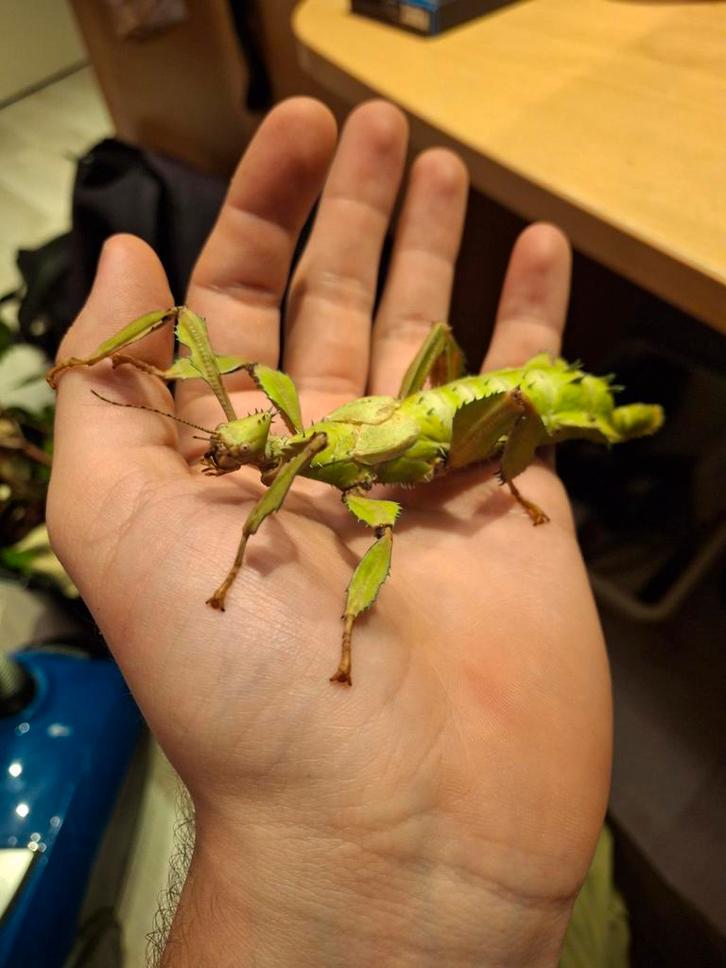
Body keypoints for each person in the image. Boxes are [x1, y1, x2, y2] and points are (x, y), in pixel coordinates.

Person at [47, 98, 611, 966]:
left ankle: (528, 461)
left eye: (231, 448)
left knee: (513, 401)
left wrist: (327, 618)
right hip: (414, 420)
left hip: (445, 434)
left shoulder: (338, 472)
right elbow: (211, 359)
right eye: (230, 447)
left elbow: (374, 527)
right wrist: (100, 364)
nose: (226, 449)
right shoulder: (275, 435)